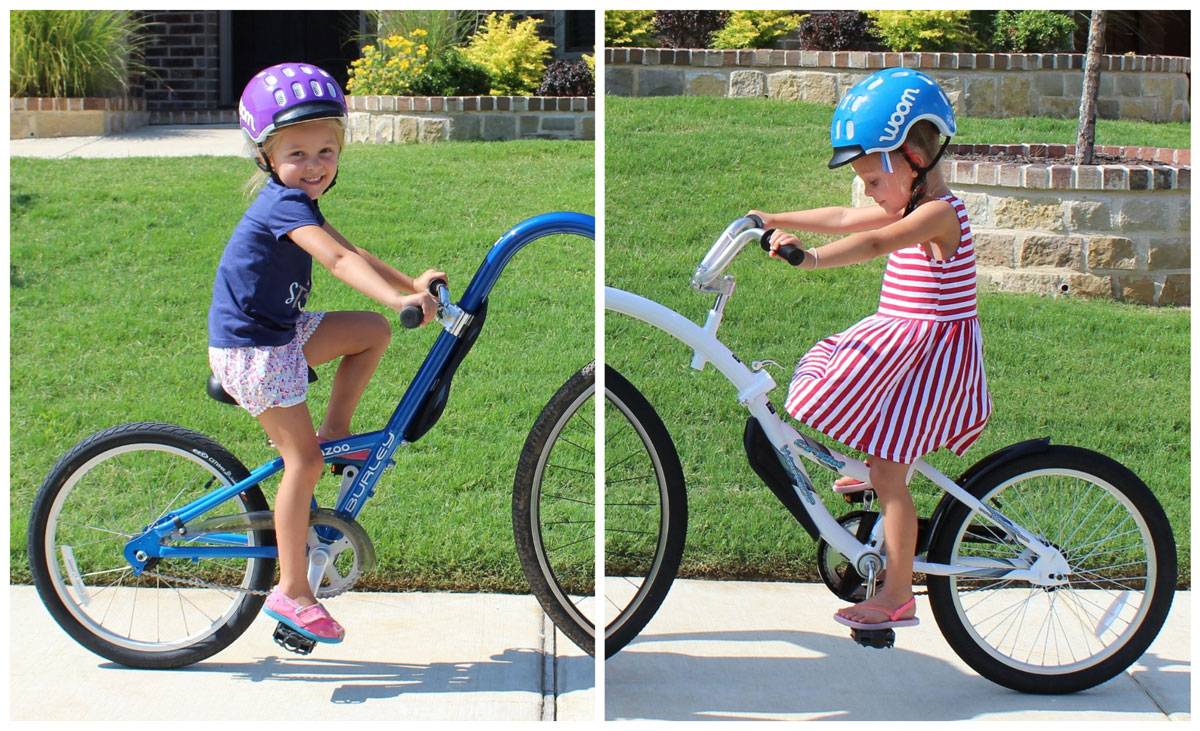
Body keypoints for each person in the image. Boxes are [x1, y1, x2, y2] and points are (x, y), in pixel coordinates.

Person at [208, 62, 445, 644]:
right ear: (265, 156)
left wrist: (406, 286)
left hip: (280, 333)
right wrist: (399, 299)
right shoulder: (280, 205)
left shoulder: (299, 202)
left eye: (326, 151)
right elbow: (337, 265)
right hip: (253, 350)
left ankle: (337, 432)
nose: (313, 166)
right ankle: (291, 591)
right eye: (296, 154)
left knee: (370, 331)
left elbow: (349, 249)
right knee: (303, 464)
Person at [750, 68, 992, 631]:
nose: (868, 193)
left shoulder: (936, 214)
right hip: (908, 345)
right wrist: (775, 218)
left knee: (889, 476)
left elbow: (874, 241)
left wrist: (809, 259)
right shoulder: (908, 205)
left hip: (931, 356)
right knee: (850, 400)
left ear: (914, 156)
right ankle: (875, 469)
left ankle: (898, 595)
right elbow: (840, 217)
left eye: (874, 180)